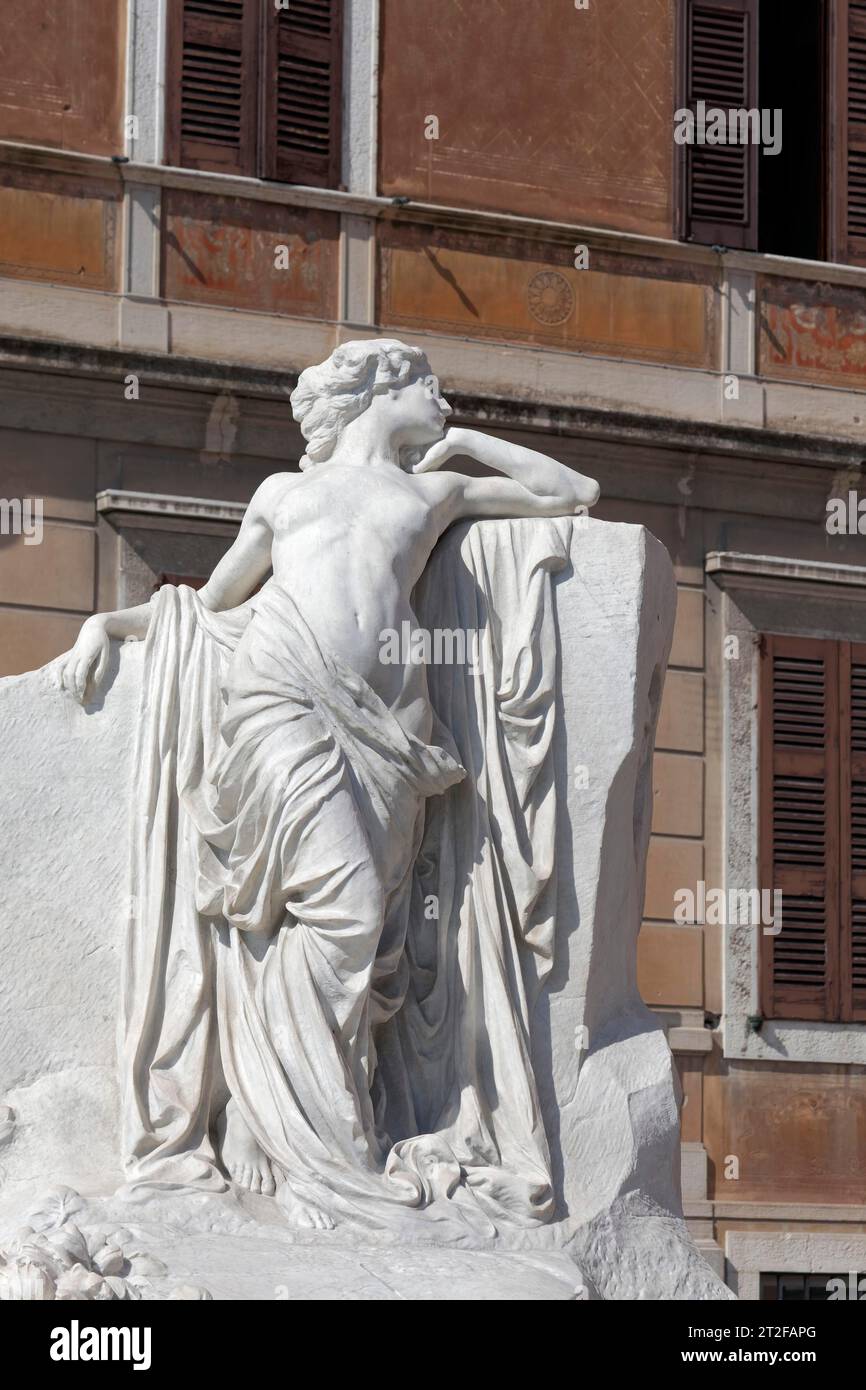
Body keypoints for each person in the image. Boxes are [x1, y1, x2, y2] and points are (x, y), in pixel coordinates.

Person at [59, 339, 599, 1230]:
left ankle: (298, 1127)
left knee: (362, 945)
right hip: (281, 699)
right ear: (382, 389)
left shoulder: (433, 491)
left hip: (389, 742)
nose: (443, 399)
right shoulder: (284, 495)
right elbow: (211, 603)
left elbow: (571, 495)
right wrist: (106, 625)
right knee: (343, 910)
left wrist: (465, 445)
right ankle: (319, 1151)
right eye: (431, 386)